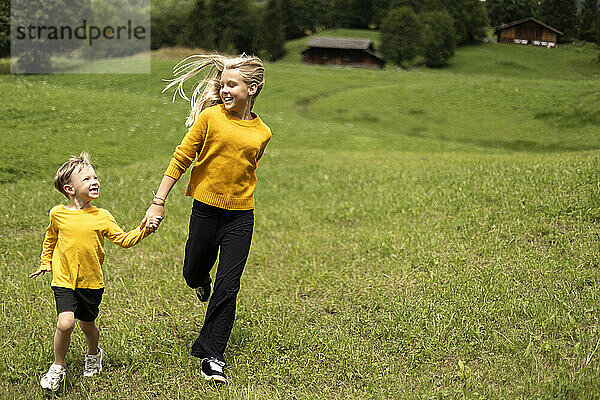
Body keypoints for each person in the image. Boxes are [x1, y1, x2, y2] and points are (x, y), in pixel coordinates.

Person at [141, 54, 272, 383]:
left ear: (252, 89)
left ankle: (213, 354)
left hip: (241, 216)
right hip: (206, 211)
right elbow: (182, 156)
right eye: (223, 85)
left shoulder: (263, 133)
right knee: (193, 271)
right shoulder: (210, 118)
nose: (224, 90)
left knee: (229, 287)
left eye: (232, 85)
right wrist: (158, 202)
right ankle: (199, 281)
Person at [30, 152, 159, 391]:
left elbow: (124, 239)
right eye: (87, 179)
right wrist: (45, 263)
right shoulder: (57, 213)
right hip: (64, 280)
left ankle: (93, 353)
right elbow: (50, 238)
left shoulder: (103, 216)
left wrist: (145, 230)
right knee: (65, 323)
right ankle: (58, 365)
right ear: (70, 189)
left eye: (95, 177)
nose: (94, 182)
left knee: (87, 325)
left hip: (91, 283)